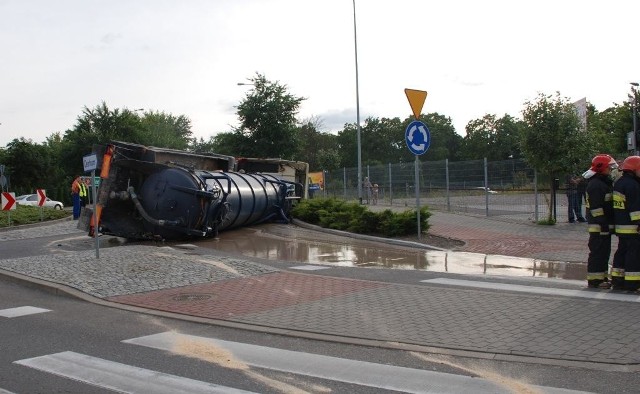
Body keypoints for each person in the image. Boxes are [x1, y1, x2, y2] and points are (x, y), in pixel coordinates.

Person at [583, 154, 617, 289]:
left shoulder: (601, 183)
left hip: (602, 225)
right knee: (598, 253)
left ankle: (601, 278)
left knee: (603, 253)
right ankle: (595, 280)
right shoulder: (597, 185)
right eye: (609, 167)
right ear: (602, 168)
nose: (611, 169)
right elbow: (596, 209)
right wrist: (603, 224)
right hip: (599, 226)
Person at [612, 155, 640, 291]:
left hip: (621, 226)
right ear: (634, 170)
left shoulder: (619, 183)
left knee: (621, 253)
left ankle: (618, 280)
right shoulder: (633, 185)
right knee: (633, 255)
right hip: (632, 227)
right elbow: (635, 208)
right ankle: (632, 283)